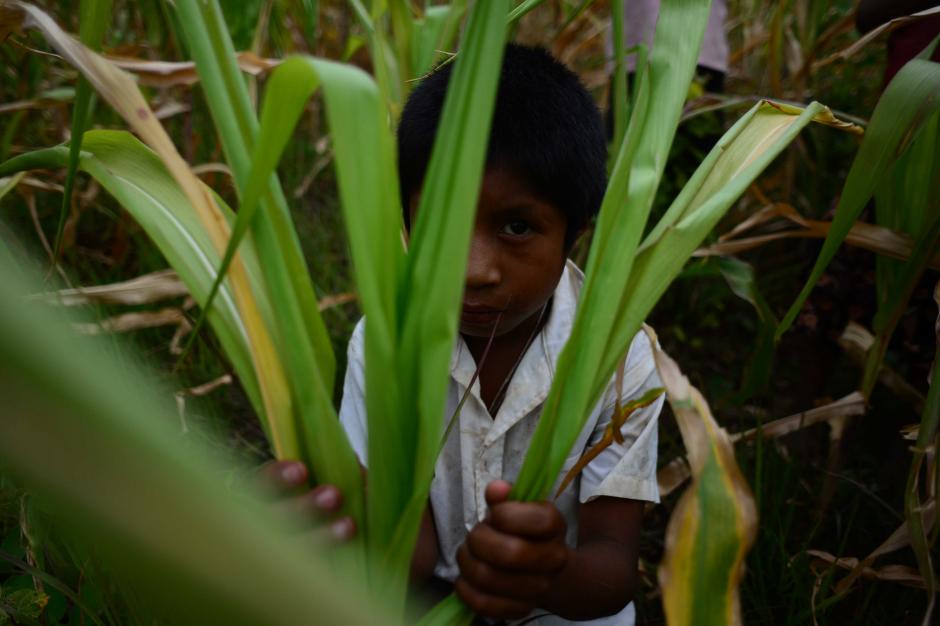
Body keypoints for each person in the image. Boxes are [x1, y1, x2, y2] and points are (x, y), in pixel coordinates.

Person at [263, 44, 663, 625]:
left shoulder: (620, 359)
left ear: (575, 232)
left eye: (517, 226)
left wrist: (551, 571)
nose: (473, 270)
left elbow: (612, 570)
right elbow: (411, 556)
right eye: (441, 224)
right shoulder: (384, 344)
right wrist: (325, 519)